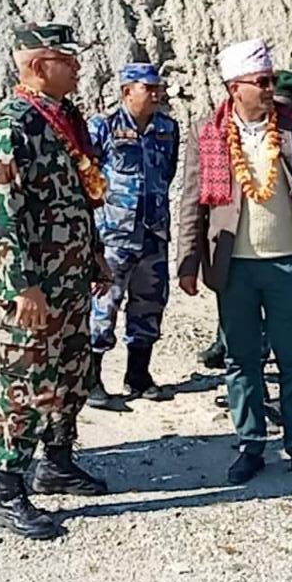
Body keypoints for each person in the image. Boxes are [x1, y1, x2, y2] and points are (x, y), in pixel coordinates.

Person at [177, 40, 292, 488]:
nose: (270, 89)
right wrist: (188, 261)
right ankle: (251, 445)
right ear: (235, 88)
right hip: (235, 267)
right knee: (242, 360)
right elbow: (193, 201)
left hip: (286, 264)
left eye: (271, 81)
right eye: (262, 82)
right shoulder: (207, 132)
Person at [0, 24, 114, 540]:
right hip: (35, 284)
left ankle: (57, 461)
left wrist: (95, 256)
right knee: (26, 383)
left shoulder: (64, 118)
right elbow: (2, 214)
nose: (78, 67)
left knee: (70, 370)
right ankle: (8, 490)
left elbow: (77, 199)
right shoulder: (16, 125)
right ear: (40, 66)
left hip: (71, 275)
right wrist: (24, 286)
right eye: (68, 59)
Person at [86, 63, 179, 410]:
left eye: (158, 88)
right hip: (115, 234)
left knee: (150, 302)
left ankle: (138, 375)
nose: (156, 94)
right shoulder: (104, 127)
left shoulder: (167, 128)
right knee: (104, 304)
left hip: (153, 232)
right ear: (127, 92)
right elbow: (90, 176)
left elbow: (166, 173)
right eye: (148, 89)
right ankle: (92, 379)